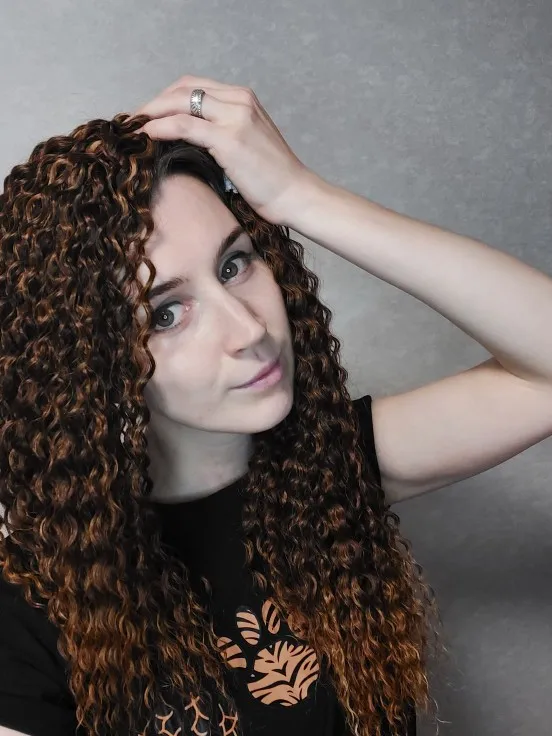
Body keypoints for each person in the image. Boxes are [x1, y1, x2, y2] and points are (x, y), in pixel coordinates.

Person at [0, 75, 551, 736]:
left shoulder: (322, 467)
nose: (249, 329)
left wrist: (302, 196)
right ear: (91, 362)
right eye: (166, 313)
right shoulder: (28, 607)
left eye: (235, 265)